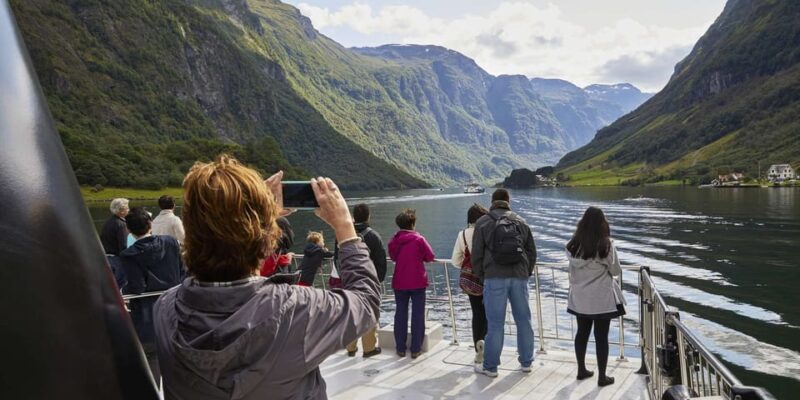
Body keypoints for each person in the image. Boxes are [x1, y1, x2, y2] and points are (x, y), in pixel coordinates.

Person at [153, 155, 380, 400]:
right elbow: (366, 302)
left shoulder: (165, 310)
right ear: (267, 239)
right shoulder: (298, 309)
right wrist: (345, 228)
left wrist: (260, 220)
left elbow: (217, 269)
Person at [471, 189, 536, 378]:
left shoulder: (483, 222)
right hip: (519, 277)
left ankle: (491, 367)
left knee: (495, 324)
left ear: (492, 202)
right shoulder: (521, 221)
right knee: (524, 321)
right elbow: (531, 252)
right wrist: (526, 272)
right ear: (508, 201)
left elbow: (477, 255)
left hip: (494, 277)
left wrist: (484, 277)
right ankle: (526, 363)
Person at [119, 207, 185, 384]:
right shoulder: (171, 243)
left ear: (129, 230)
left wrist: (123, 292)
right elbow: (181, 272)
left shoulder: (129, 255)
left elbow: (137, 287)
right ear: (150, 225)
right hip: (174, 306)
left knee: (152, 354)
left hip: (149, 314)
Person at [566, 206, 626, 387]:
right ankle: (602, 376)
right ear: (602, 223)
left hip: (580, 298)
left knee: (582, 333)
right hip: (601, 299)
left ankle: (581, 370)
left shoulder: (573, 246)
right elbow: (615, 271)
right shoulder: (605, 244)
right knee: (602, 337)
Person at [388, 209, 435, 359]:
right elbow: (430, 256)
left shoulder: (394, 241)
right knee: (418, 315)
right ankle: (416, 349)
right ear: (413, 224)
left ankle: (400, 348)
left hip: (400, 281)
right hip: (417, 282)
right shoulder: (419, 239)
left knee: (400, 314)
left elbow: (393, 257)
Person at [345, 203, 387, 358]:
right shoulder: (374, 236)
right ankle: (369, 348)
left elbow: (338, 258)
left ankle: (350, 347)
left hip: (349, 281)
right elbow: (381, 262)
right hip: (369, 282)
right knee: (370, 313)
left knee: (351, 314)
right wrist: (378, 281)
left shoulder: (344, 235)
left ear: (354, 217)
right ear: (369, 216)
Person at [451, 203, 489, 363]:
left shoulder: (463, 234)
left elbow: (455, 260)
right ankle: (488, 347)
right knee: (489, 315)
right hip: (489, 278)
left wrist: (467, 266)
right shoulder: (488, 230)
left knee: (477, 314)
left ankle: (477, 349)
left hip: (472, 281)